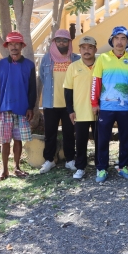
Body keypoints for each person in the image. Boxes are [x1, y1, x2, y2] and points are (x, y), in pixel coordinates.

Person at [91, 26, 128, 183]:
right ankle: (102, 168)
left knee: (126, 138)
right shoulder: (103, 58)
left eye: (123, 38)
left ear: (127, 42)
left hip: (126, 108)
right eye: (116, 38)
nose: (119, 42)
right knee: (103, 139)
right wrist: (94, 102)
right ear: (111, 40)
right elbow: (96, 82)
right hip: (105, 107)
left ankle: (122, 166)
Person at [0, 32, 36, 181]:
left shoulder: (29, 65)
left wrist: (30, 107)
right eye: (11, 44)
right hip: (5, 108)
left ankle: (17, 167)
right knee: (5, 141)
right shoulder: (0, 64)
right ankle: (4, 170)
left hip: (22, 109)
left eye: (17, 44)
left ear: (22, 46)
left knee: (18, 140)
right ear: (7, 47)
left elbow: (32, 89)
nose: (14, 47)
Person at [38, 29, 80, 174]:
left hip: (70, 105)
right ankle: (49, 160)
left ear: (69, 42)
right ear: (54, 42)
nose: (61, 43)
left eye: (65, 40)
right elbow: (42, 77)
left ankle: (70, 160)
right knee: (50, 133)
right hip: (51, 103)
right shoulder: (46, 59)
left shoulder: (75, 59)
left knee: (69, 133)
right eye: (58, 40)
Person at [64, 36, 98, 179]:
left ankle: (100, 167)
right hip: (80, 111)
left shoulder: (101, 65)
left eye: (90, 47)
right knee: (81, 142)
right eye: (83, 48)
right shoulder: (73, 67)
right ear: (79, 50)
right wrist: (70, 110)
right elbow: (68, 90)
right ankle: (80, 167)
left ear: (95, 49)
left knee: (100, 141)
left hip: (98, 111)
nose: (86, 50)